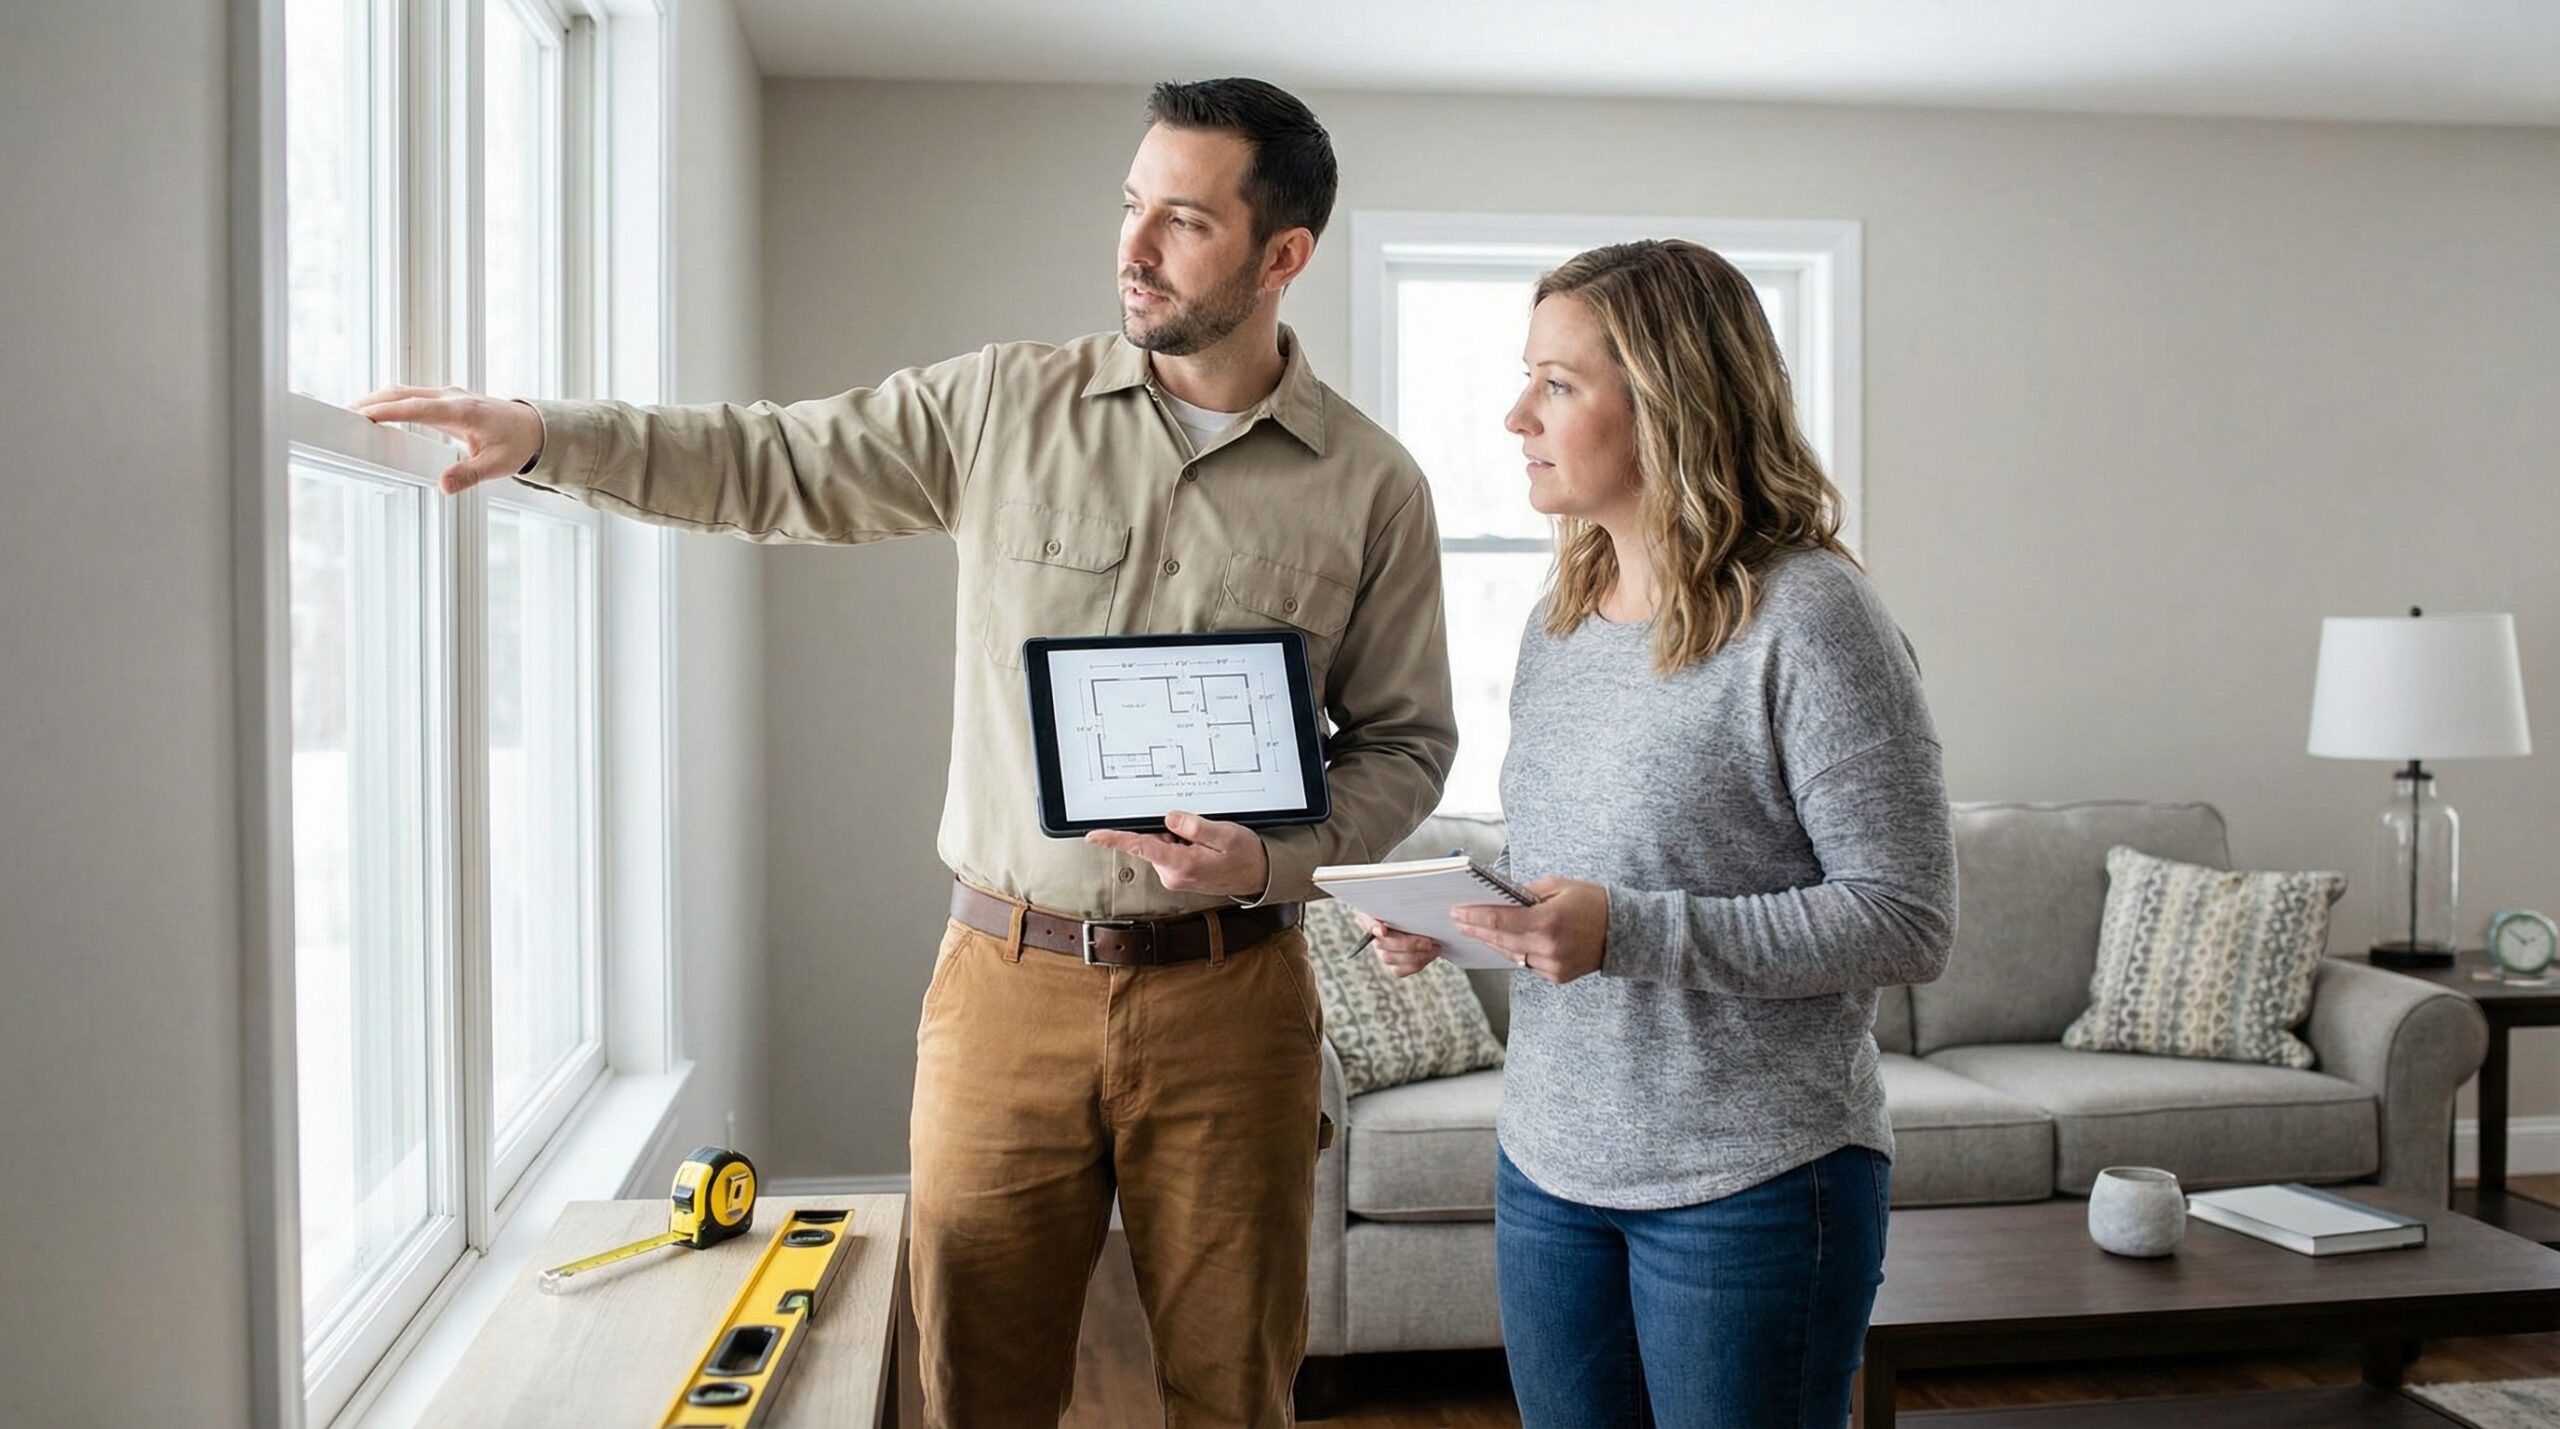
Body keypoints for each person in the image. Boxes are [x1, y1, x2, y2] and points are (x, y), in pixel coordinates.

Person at [359, 79, 1457, 1428]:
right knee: (976, 1385)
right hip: (1005, 988)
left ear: (1282, 256)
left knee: (1235, 1390)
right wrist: (547, 439)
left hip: (1238, 1001)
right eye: (1131, 206)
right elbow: (770, 461)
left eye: (1183, 221)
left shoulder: (1374, 482)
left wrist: (1273, 856)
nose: (1134, 246)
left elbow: (1406, 742)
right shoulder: (1002, 403)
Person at [1360, 239, 1956, 1428]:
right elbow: (1590, 889)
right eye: (1527, 377)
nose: (1515, 413)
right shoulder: (1560, 623)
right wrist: (1469, 924)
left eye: (1558, 384)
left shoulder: (1813, 617)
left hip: (1754, 1181)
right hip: (1548, 1166)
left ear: (1672, 401)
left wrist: (1623, 931)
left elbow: (1905, 918)